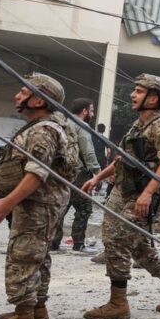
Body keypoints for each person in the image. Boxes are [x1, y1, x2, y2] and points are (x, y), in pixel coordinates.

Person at [80, 74, 160, 319]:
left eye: (139, 91)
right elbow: (122, 158)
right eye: (134, 90)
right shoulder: (139, 124)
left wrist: (148, 193)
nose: (133, 94)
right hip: (125, 190)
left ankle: (118, 303)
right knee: (139, 247)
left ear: (154, 98)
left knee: (118, 240)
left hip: (144, 194)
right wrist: (98, 177)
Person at [0, 74, 75, 319]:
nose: (17, 96)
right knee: (39, 254)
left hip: (38, 203)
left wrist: (6, 204)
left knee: (23, 254)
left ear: (38, 100)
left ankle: (23, 315)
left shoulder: (44, 130)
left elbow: (37, 173)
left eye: (23, 92)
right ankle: (37, 308)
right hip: (41, 202)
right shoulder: (42, 126)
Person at [51, 98, 100, 252]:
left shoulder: (64, 123)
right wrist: (98, 172)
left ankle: (53, 242)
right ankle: (78, 244)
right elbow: (88, 151)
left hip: (62, 171)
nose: (92, 113)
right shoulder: (82, 126)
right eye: (91, 110)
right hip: (79, 173)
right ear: (84, 111)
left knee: (61, 207)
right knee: (84, 208)